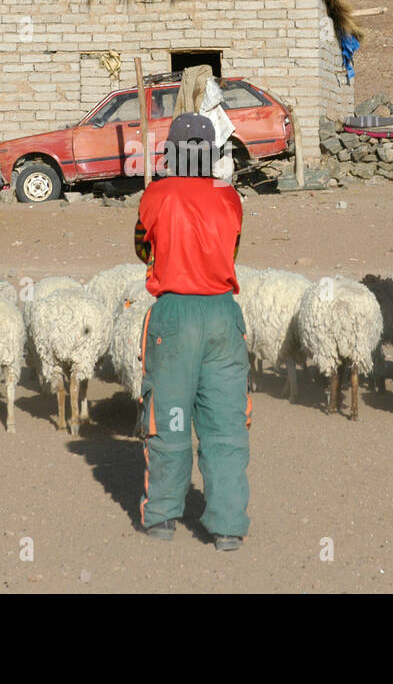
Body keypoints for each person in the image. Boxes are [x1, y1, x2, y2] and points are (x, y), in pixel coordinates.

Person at [133, 112, 250, 551]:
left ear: (172, 152)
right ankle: (228, 526)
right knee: (224, 421)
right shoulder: (230, 195)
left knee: (170, 417)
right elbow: (233, 247)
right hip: (223, 316)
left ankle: (163, 516)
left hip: (175, 318)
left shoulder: (157, 194)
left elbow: (142, 245)